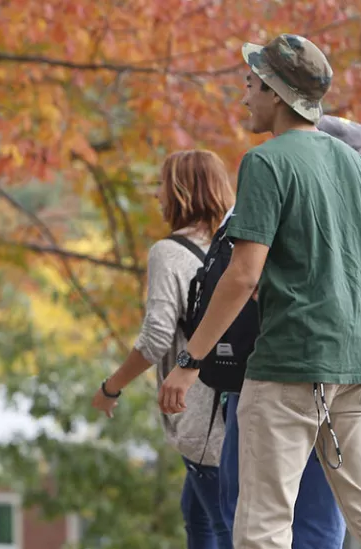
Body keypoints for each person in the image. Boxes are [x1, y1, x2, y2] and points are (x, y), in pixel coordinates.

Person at [156, 33, 361, 549]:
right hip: (356, 367)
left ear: (276, 94)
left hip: (286, 366)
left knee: (262, 525)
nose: (245, 98)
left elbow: (243, 275)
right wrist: (325, 272)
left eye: (251, 86)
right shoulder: (356, 165)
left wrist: (189, 363)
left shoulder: (266, 162)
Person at [212, 114, 361, 549]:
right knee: (354, 515)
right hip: (336, 372)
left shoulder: (276, 187)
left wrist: (193, 362)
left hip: (285, 371)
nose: (360, 172)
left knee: (270, 518)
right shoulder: (319, 207)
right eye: (355, 160)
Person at [92, 150, 235, 549]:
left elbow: (155, 338)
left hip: (200, 412)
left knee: (223, 527)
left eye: (161, 184)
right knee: (197, 515)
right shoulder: (239, 246)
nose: (156, 194)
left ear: (180, 192)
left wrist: (110, 388)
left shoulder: (169, 252)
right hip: (237, 405)